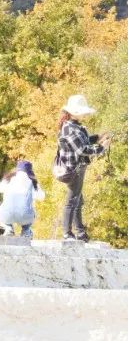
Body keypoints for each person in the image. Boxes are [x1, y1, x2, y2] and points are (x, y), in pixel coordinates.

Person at [56, 95, 109, 242]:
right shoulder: (69, 128)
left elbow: (82, 142)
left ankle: (80, 233)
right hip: (73, 169)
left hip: (78, 167)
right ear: (74, 112)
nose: (85, 114)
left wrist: (97, 137)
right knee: (72, 200)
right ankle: (67, 233)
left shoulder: (75, 126)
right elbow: (81, 149)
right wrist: (101, 148)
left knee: (77, 200)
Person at [0, 161, 45, 239]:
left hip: (7, 215)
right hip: (25, 216)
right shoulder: (32, 182)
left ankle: (9, 229)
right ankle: (26, 231)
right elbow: (42, 197)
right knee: (33, 210)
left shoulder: (8, 179)